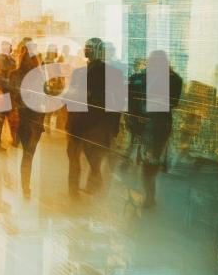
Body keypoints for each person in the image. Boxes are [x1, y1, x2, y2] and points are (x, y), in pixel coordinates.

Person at [65, 37, 125, 198]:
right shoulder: (111, 74)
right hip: (89, 125)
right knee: (86, 160)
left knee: (86, 160)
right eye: (87, 47)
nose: (87, 50)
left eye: (89, 48)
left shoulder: (108, 74)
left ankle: (81, 190)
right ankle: (82, 189)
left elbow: (116, 103)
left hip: (91, 125)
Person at [127, 50, 182, 208]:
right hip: (153, 124)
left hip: (154, 125)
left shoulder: (167, 80)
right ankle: (148, 194)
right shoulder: (171, 79)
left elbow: (169, 101)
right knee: (147, 159)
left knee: (148, 161)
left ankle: (149, 197)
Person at [8, 39, 46, 198]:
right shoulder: (39, 75)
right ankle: (25, 186)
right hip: (35, 119)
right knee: (29, 154)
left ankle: (25, 186)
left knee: (26, 155)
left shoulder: (14, 74)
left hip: (24, 119)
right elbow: (44, 99)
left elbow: (11, 99)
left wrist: (13, 118)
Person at [0, 41, 18, 151]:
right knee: (0, 119)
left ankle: (14, 140)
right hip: (2, 91)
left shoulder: (11, 59)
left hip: (10, 92)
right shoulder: (0, 58)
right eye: (4, 46)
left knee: (11, 117)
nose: (6, 48)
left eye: (8, 46)